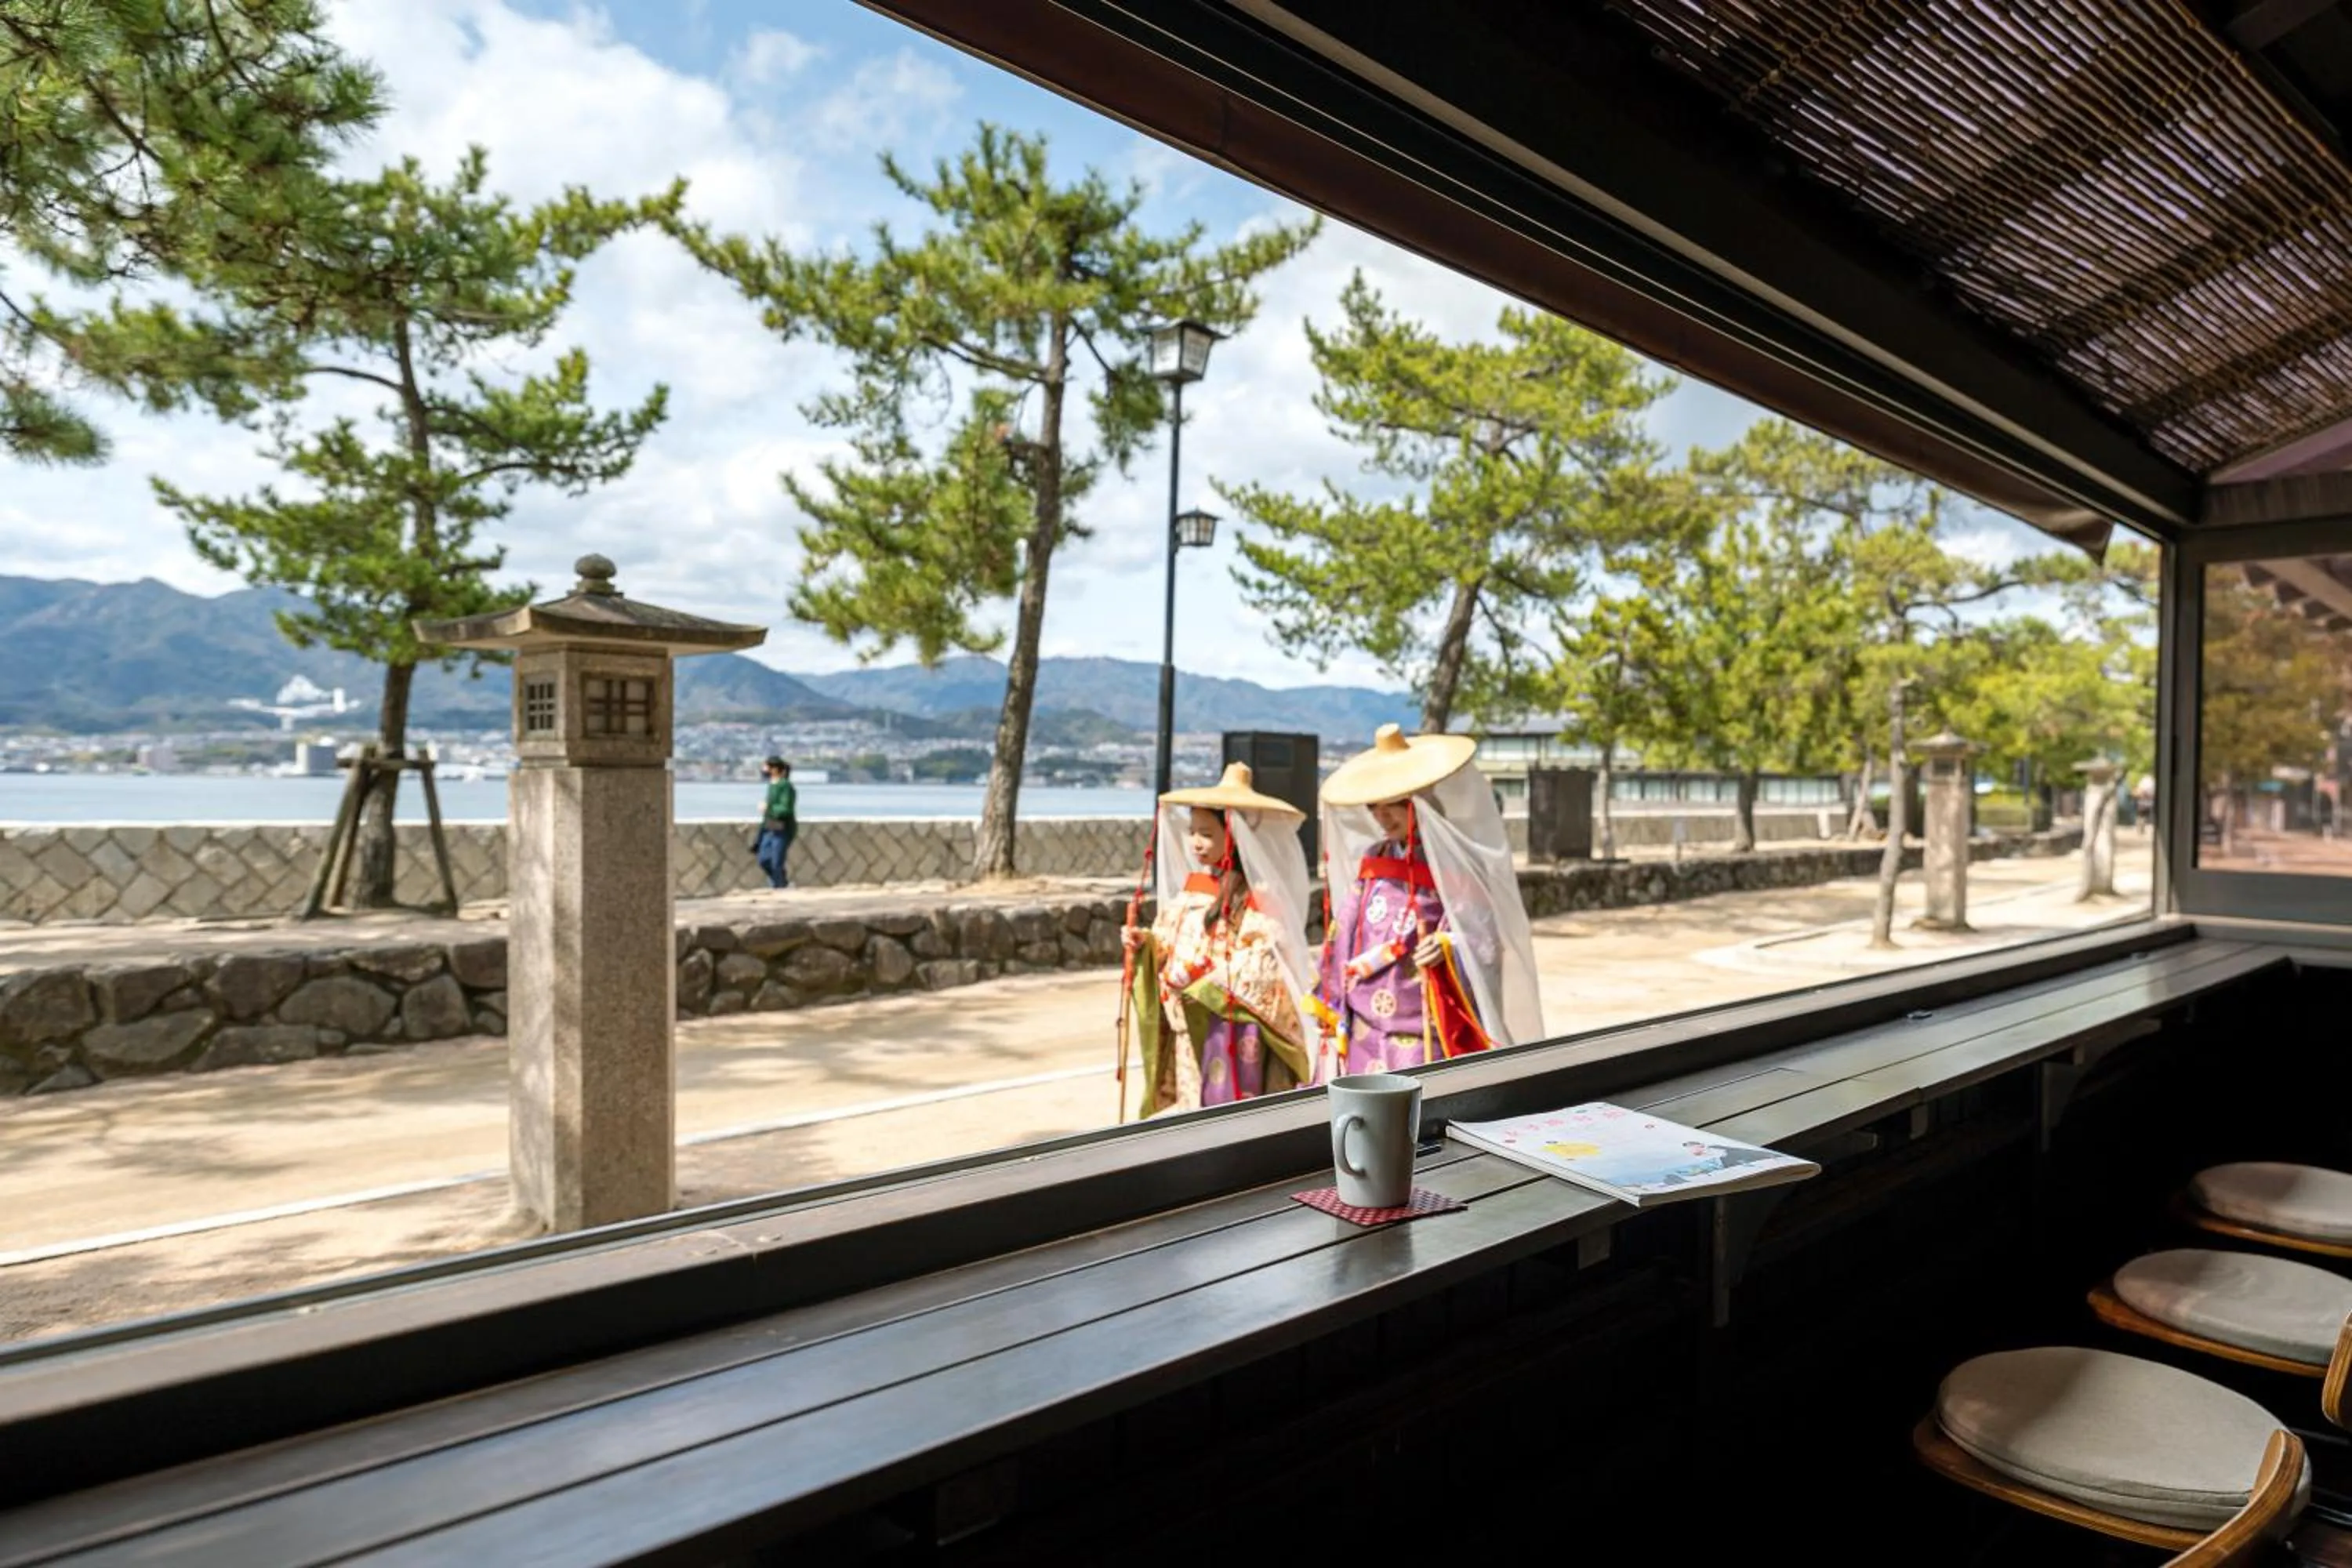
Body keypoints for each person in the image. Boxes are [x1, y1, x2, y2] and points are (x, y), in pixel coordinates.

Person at [1313, 724, 1542, 1080]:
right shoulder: (1375, 857)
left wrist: (1450, 944)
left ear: (1418, 802)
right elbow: (1345, 927)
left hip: (1425, 1021)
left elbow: (1483, 936)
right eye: (1374, 806)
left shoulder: (1455, 863)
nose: (1380, 817)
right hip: (1366, 1023)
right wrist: (1330, 992)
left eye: (1392, 806)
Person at [1122, 763, 1317, 1116]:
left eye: (1208, 833)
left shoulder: (1257, 897)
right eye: (1193, 831)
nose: (1196, 841)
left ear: (1233, 835)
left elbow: (1264, 959)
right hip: (1189, 1021)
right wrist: (1145, 944)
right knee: (1193, 1104)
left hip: (1229, 1023)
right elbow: (1168, 940)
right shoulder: (1193, 889)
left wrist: (1203, 982)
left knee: (1228, 1107)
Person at [754, 756, 797, 890]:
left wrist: (769, 808)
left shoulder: (785, 786)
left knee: (776, 861)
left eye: (766, 767)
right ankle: (781, 882)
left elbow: (786, 808)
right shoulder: (772, 785)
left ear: (775, 769)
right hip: (769, 827)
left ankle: (780, 886)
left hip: (782, 828)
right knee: (763, 859)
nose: (764, 770)